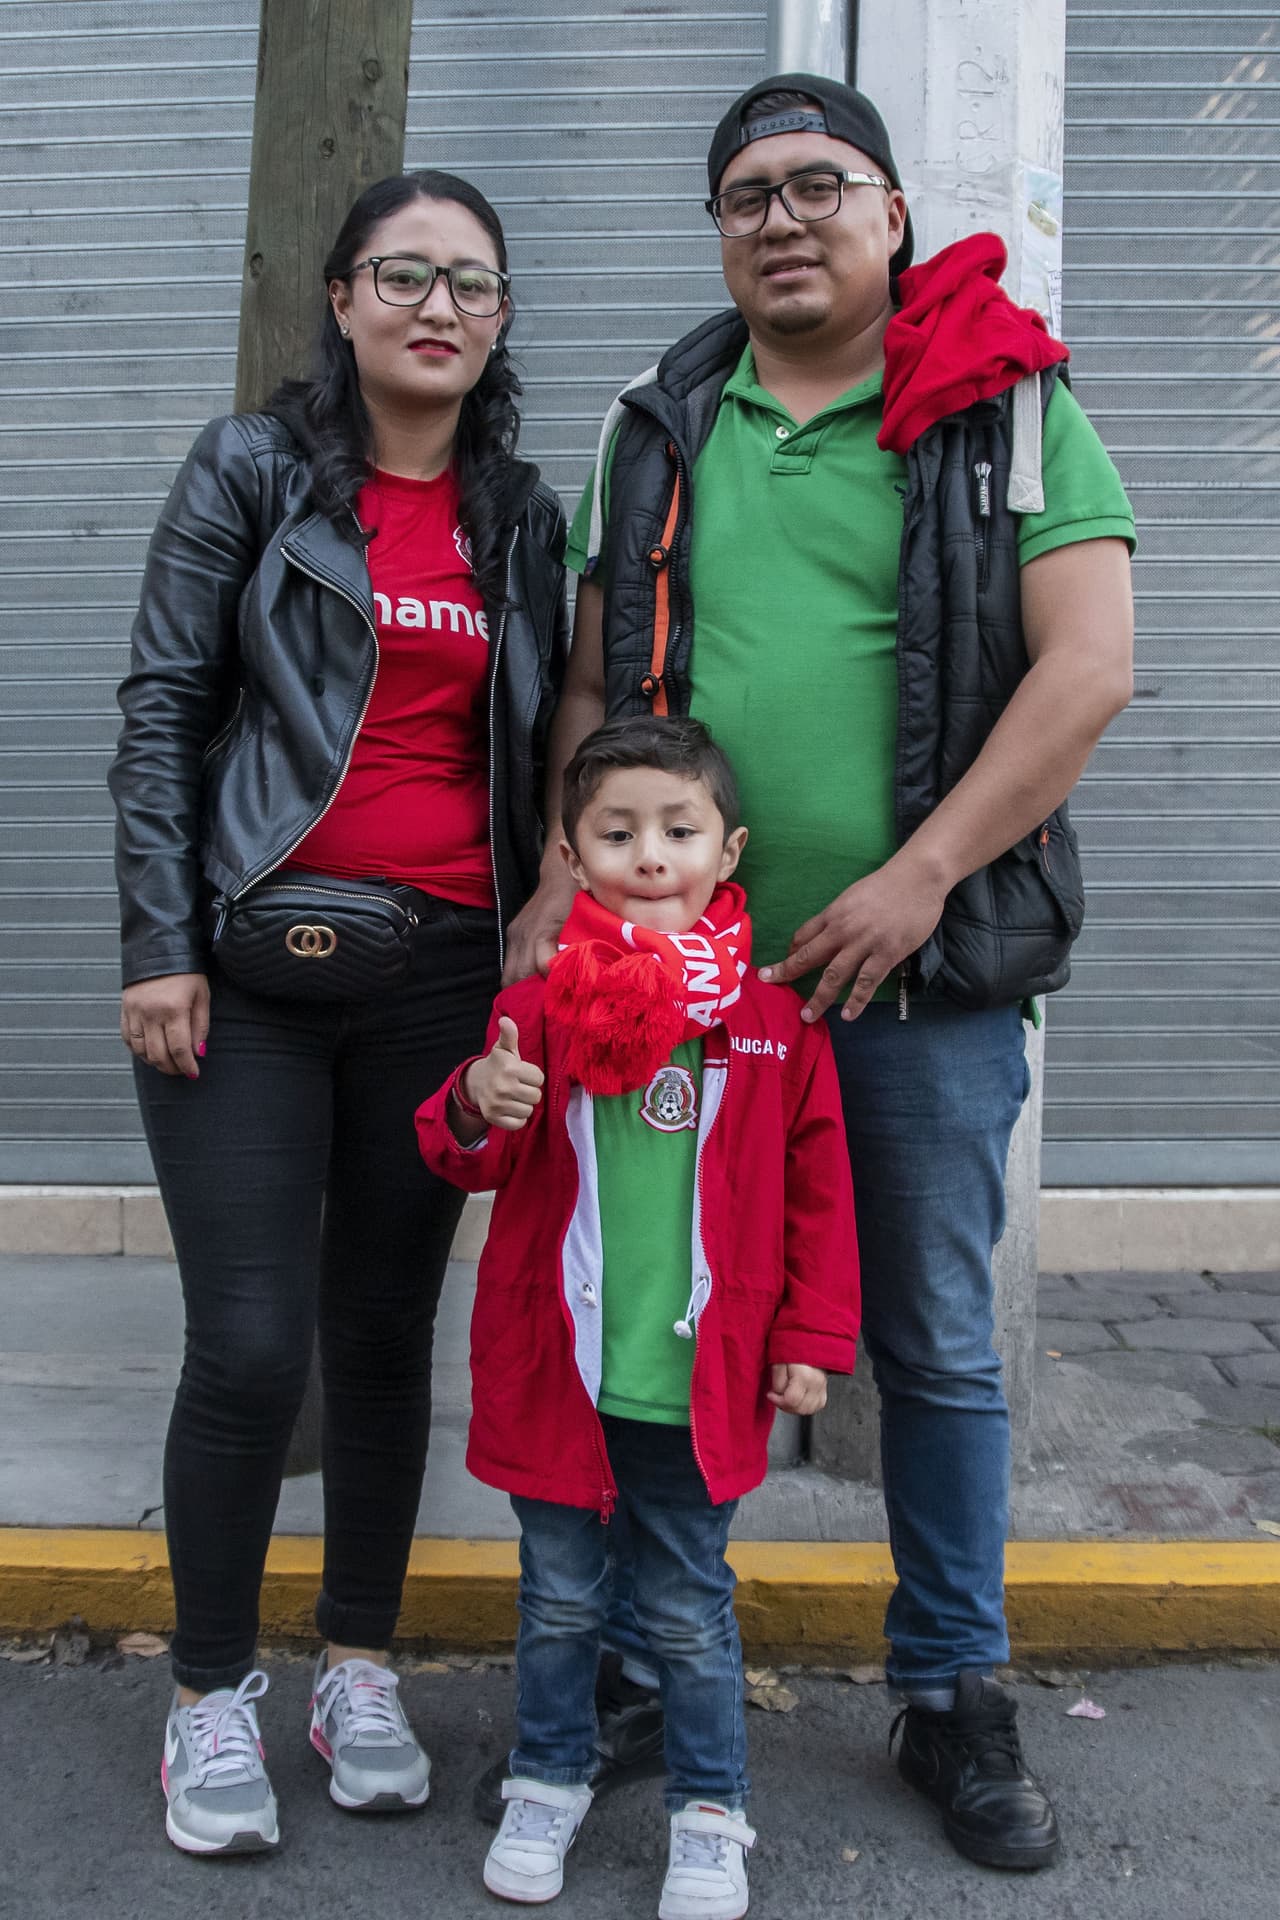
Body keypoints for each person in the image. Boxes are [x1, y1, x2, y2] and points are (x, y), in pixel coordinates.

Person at [504, 75, 1136, 1871]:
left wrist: (919, 882)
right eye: (746, 196)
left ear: (889, 214)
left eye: (819, 186)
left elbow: (1085, 666)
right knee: (649, 1311)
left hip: (914, 977)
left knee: (930, 1346)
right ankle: (633, 1663)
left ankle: (953, 1692)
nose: (780, 218)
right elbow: (594, 679)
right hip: (671, 979)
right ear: (719, 231)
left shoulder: (1000, 403)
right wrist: (565, 872)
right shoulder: (661, 422)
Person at [108, 169, 567, 1856]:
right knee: (248, 1344)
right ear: (343, 298)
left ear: (500, 318)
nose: (437, 307)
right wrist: (158, 939)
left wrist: (547, 909)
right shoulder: (254, 472)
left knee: (383, 1340)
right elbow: (164, 705)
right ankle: (209, 1694)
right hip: (242, 968)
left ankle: (356, 1669)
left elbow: (547, 739)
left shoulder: (523, 515)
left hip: (444, 981)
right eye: (404, 276)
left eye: (471, 283)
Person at [417, 716, 858, 1917]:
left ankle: (709, 1811)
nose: (648, 855)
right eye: (615, 834)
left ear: (729, 849)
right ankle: (549, 1778)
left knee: (686, 1607)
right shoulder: (543, 1005)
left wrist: (811, 1343)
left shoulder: (771, 1021)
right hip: (562, 1371)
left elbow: (818, 1190)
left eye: (678, 829)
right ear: (570, 851)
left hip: (697, 1377)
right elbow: (470, 1160)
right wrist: (474, 1101)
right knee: (557, 1599)